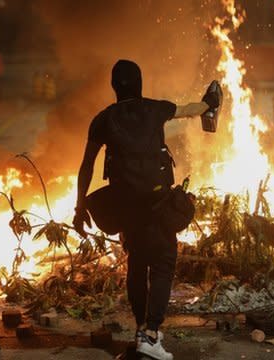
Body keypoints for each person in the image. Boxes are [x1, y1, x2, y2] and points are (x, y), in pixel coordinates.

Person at [73, 59, 219, 360]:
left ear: (114, 86)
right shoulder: (155, 109)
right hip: (156, 204)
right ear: (140, 83)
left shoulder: (102, 120)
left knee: (137, 265)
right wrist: (208, 105)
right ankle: (151, 335)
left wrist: (79, 206)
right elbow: (190, 110)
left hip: (125, 208)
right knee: (164, 262)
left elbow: (86, 166)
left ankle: (141, 330)